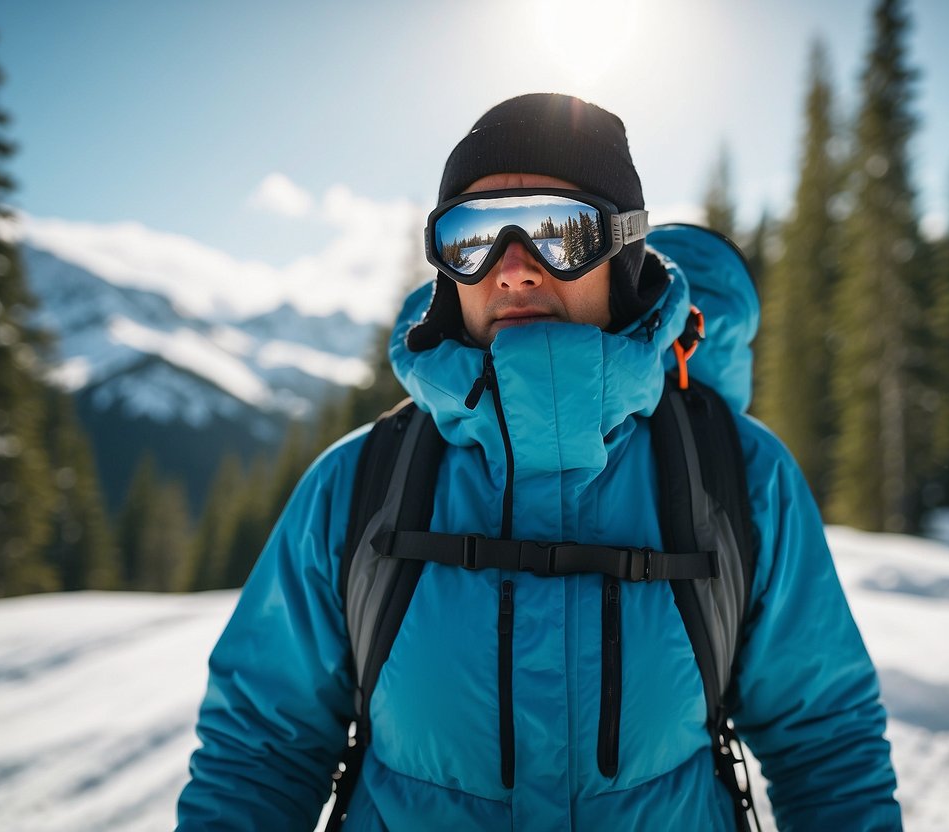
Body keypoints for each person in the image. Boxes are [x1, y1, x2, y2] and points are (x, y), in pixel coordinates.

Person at [177, 93, 903, 831]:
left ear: (621, 252)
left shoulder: (740, 478)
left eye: (561, 231)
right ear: (445, 270)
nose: (512, 269)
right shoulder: (356, 486)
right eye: (473, 237)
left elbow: (826, 746)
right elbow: (258, 753)